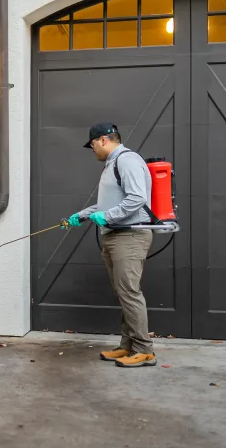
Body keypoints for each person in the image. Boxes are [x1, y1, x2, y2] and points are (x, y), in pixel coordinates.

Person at [65, 122, 157, 368]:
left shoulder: (127, 161)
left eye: (93, 145)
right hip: (116, 235)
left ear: (103, 140)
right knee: (124, 293)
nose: (93, 149)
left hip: (129, 236)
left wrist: (107, 216)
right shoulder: (112, 164)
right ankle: (128, 345)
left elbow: (137, 198)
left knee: (129, 292)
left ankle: (144, 350)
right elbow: (108, 204)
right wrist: (83, 215)